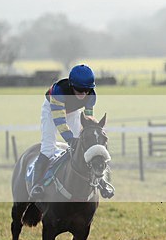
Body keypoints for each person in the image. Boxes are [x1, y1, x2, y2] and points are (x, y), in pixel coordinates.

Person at [30, 64, 114, 200]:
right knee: (48, 148)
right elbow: (60, 121)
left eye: (86, 90)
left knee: (84, 147)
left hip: (73, 112)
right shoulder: (59, 91)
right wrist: (70, 139)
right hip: (52, 110)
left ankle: (101, 182)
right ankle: (37, 186)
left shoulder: (91, 96)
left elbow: (88, 120)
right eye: (79, 90)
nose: (83, 93)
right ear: (72, 85)